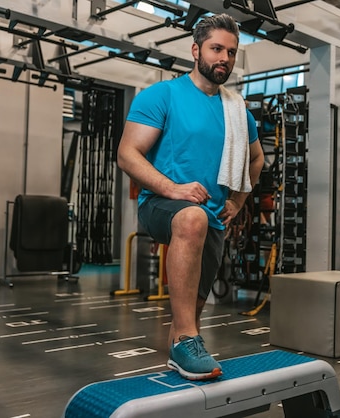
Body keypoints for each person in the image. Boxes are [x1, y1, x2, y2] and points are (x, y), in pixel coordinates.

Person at [117, 14, 264, 381]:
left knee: (193, 309)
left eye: (231, 52)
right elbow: (127, 154)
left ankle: (181, 350)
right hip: (161, 205)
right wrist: (173, 189)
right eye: (217, 49)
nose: (224, 59)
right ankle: (185, 340)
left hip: (213, 213)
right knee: (191, 218)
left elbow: (257, 158)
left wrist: (238, 201)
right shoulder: (162, 95)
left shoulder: (237, 110)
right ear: (196, 50)